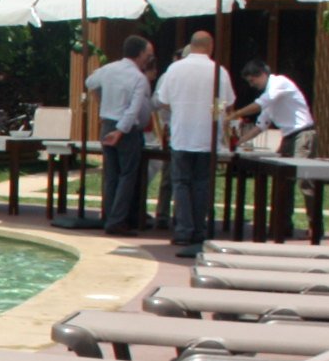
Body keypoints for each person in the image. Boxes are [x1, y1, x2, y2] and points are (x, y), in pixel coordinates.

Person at [151, 30, 236, 257]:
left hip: (182, 135)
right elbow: (225, 105)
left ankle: (182, 230)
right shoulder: (219, 71)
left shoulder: (175, 69)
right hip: (207, 137)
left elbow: (163, 101)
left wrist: (181, 109)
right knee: (202, 184)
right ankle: (199, 229)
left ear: (191, 45)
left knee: (180, 183)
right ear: (211, 46)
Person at [233, 60, 319, 239]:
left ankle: (315, 226)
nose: (252, 85)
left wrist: (234, 115)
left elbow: (258, 105)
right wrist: (238, 142)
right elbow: (261, 124)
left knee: (305, 181)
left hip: (302, 134)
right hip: (288, 137)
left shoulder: (279, 83)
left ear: (262, 74)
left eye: (253, 80)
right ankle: (282, 225)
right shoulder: (269, 96)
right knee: (283, 181)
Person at [83, 34, 155, 234]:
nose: (148, 60)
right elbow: (133, 109)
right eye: (148, 55)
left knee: (111, 174)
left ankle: (109, 214)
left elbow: (90, 82)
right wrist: (121, 131)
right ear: (140, 54)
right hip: (127, 128)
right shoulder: (138, 78)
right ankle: (117, 219)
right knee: (127, 175)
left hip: (107, 122)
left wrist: (101, 98)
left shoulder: (108, 70)